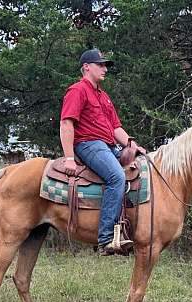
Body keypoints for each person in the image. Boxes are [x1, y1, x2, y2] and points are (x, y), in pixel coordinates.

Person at [60, 48, 142, 256]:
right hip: (88, 144)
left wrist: (132, 145)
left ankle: (130, 226)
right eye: (101, 64)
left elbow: (116, 128)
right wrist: (69, 157)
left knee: (138, 168)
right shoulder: (77, 90)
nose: (105, 69)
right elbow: (66, 124)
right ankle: (106, 238)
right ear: (87, 67)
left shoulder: (104, 97)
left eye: (106, 65)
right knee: (116, 177)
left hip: (108, 146)